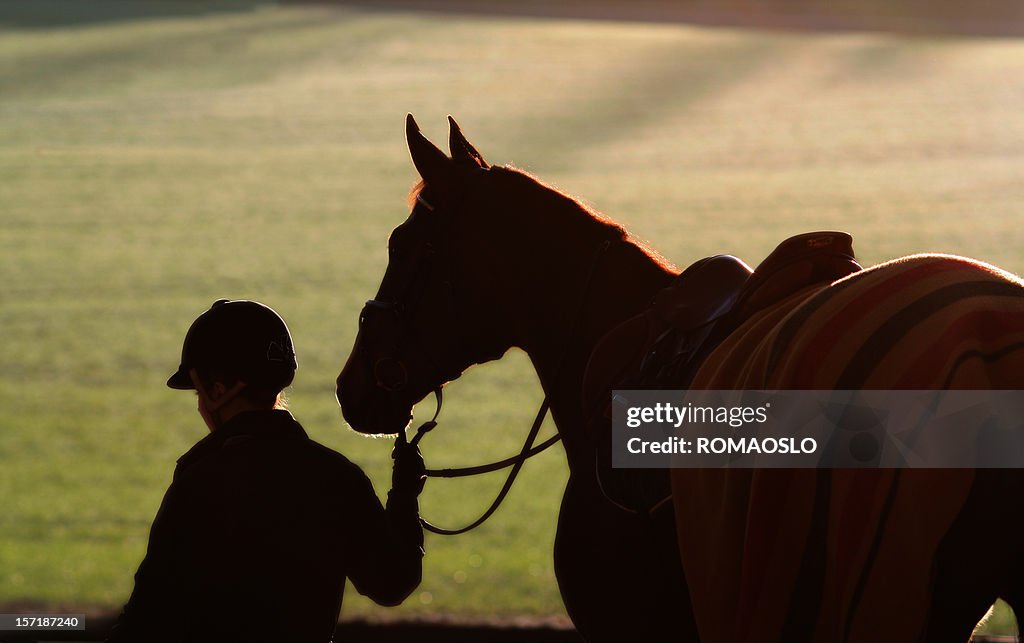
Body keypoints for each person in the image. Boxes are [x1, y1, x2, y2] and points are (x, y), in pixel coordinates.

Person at [106, 299, 425, 643]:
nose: (199, 404)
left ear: (218, 391)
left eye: (199, 392)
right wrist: (404, 495)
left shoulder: (203, 480)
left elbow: (148, 618)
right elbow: (392, 583)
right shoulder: (338, 476)